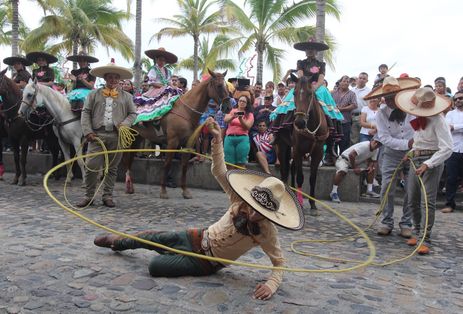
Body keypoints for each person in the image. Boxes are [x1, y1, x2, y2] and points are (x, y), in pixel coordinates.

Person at [93, 116, 304, 300]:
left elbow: (279, 262)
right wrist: (217, 140)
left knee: (156, 266)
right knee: (153, 237)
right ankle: (117, 242)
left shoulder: (267, 232)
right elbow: (219, 171)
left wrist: (271, 284)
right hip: (195, 236)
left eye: (261, 212)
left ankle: (163, 251)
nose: (253, 212)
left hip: (205, 263)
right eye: (253, 206)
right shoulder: (238, 201)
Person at [395, 87, 452, 254]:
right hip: (416, 159)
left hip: (431, 161)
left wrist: (429, 163)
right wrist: (410, 153)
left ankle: (425, 238)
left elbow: (447, 148)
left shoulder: (439, 121)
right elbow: (420, 142)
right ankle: (417, 231)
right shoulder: (420, 119)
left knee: (427, 201)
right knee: (412, 197)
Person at [364, 76, 421, 237]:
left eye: (392, 96)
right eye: (386, 97)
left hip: (414, 153)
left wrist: (413, 146)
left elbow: (420, 131)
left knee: (412, 188)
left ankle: (406, 222)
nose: (388, 100)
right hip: (391, 153)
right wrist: (406, 145)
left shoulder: (413, 109)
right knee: (386, 187)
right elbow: (384, 138)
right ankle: (386, 221)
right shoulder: (381, 114)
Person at [77, 59, 137, 208]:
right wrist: (88, 131)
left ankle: (107, 196)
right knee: (91, 166)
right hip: (97, 136)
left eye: (116, 77)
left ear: (119, 79)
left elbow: (133, 114)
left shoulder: (127, 97)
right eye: (110, 77)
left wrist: (125, 124)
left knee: (112, 168)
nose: (113, 80)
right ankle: (88, 196)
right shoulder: (93, 94)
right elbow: (85, 113)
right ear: (105, 78)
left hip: (117, 136)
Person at [330, 138, 381, 203]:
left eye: (379, 144)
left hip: (356, 162)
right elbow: (351, 155)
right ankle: (333, 192)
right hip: (344, 159)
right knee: (342, 171)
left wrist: (370, 166)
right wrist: (355, 168)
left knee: (371, 169)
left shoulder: (376, 150)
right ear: (372, 140)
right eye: (375, 142)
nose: (376, 144)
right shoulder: (365, 145)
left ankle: (369, 190)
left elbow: (372, 160)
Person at [441, 90, 463, 213]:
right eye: (456, 99)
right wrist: (454, 127)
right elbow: (447, 128)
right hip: (453, 149)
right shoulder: (450, 114)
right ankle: (449, 204)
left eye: (461, 98)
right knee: (451, 178)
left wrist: (455, 127)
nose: (458, 100)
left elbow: (452, 127)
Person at [223, 96, 254, 168]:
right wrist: (233, 116)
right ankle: (230, 179)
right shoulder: (232, 110)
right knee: (229, 163)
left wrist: (240, 119)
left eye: (244, 101)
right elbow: (226, 120)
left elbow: (248, 127)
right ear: (238, 102)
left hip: (242, 138)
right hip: (230, 138)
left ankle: (240, 179)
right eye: (240, 101)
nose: (241, 102)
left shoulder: (249, 114)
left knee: (241, 163)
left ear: (247, 104)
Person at [331, 75, 358, 154]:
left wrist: (342, 109)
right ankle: (332, 159)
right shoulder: (333, 93)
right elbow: (328, 103)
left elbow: (354, 105)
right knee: (333, 141)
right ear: (339, 82)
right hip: (333, 121)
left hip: (345, 121)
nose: (345, 83)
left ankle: (343, 159)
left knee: (345, 141)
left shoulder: (352, 94)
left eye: (347, 82)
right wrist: (334, 108)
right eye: (344, 81)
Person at [351, 72, 371, 145]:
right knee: (354, 139)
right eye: (360, 78)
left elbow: (370, 105)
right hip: (354, 117)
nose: (361, 80)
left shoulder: (369, 91)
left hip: (365, 117)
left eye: (364, 78)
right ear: (357, 79)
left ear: (367, 81)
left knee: (364, 140)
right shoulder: (352, 90)